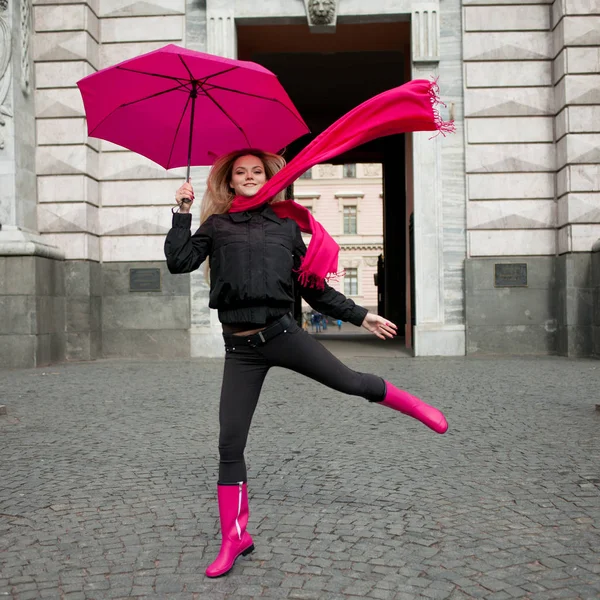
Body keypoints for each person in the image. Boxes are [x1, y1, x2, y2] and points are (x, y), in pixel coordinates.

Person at [164, 149, 448, 578]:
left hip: (283, 335)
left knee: (350, 382)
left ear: (268, 177)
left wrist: (361, 315)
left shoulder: (284, 227)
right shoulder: (215, 227)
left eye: (256, 171)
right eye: (240, 172)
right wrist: (181, 211)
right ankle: (235, 538)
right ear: (229, 182)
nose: (249, 177)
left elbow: (315, 291)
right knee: (229, 443)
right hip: (241, 350)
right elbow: (178, 261)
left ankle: (413, 405)